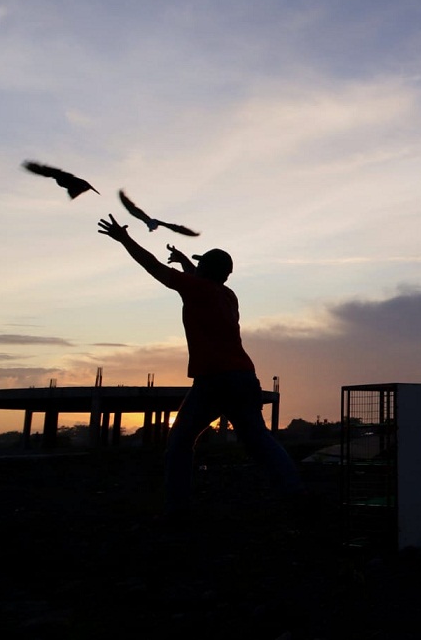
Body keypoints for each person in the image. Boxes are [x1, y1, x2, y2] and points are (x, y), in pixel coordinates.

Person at [97, 213, 305, 520]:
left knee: (180, 443)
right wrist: (186, 261)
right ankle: (295, 493)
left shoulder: (196, 289)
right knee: (259, 440)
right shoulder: (226, 295)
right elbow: (201, 278)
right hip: (244, 378)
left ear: (206, 270)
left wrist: (124, 238)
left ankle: (177, 509)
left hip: (214, 381)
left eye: (200, 265)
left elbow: (153, 266)